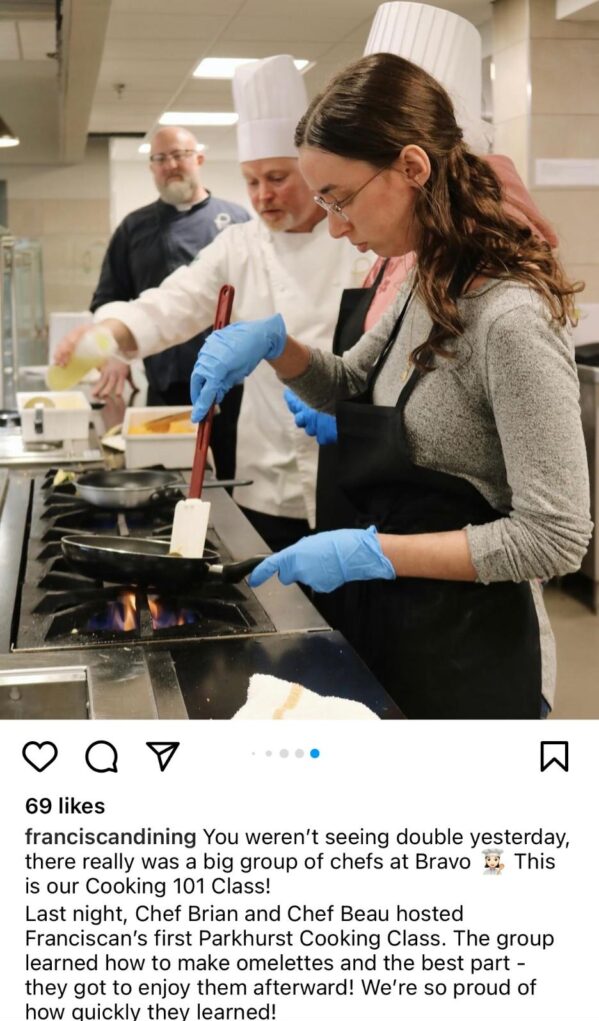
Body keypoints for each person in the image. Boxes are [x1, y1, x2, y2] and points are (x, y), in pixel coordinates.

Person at [188, 52, 592, 720]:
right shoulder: (422, 277)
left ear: (411, 167)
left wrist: (369, 552)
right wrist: (273, 344)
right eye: (324, 203)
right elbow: (348, 383)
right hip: (395, 623)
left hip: (467, 655)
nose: (337, 227)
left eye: (339, 200)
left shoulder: (509, 319)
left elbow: (553, 537)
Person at [54, 57, 370, 551]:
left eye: (277, 178)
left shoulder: (361, 239)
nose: (262, 196)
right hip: (265, 472)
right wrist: (105, 335)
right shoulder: (239, 244)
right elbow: (172, 302)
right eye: (251, 181)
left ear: (311, 172)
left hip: (355, 468)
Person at [89, 126, 250, 479]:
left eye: (180, 155)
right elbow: (108, 297)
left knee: (230, 480)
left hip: (233, 386)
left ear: (199, 159)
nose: (171, 164)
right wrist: (114, 353)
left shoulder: (238, 222)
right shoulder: (134, 228)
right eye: (161, 158)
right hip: (165, 385)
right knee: (165, 479)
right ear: (151, 167)